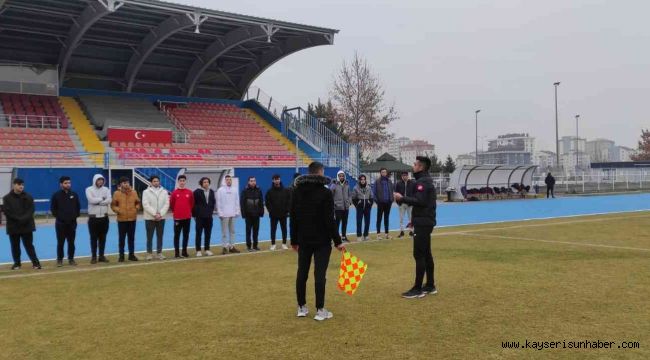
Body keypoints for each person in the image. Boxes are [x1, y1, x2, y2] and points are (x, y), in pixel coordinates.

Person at [291, 162, 345, 321]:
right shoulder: (325, 193)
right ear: (320, 173)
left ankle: (301, 307)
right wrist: (338, 241)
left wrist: (294, 239)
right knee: (319, 274)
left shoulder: (297, 191)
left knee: (302, 272)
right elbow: (330, 219)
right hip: (321, 240)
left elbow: (293, 217)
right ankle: (320, 309)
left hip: (303, 239)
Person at [394, 156, 437, 299]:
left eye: (415, 164)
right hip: (424, 221)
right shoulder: (424, 180)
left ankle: (418, 289)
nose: (413, 166)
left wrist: (402, 198)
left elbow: (420, 201)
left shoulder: (423, 182)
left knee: (419, 255)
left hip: (423, 223)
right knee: (426, 254)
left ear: (421, 167)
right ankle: (430, 285)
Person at [3, 178, 41, 270]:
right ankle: (17, 264)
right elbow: (7, 212)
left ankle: (36, 263)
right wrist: (18, 219)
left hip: (27, 225)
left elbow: (31, 210)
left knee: (29, 245)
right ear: (14, 185)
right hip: (13, 226)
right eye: (19, 184)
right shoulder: (6, 198)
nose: (21, 186)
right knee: (15, 246)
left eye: (22, 184)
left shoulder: (28, 197)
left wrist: (23, 219)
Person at [50, 176, 81, 267]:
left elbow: (78, 207)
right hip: (60, 223)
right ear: (61, 184)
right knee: (60, 242)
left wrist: (74, 217)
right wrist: (60, 217)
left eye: (69, 183)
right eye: (66, 183)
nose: (68, 184)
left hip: (72, 223)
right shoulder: (56, 195)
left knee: (71, 242)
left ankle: (71, 259)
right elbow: (53, 209)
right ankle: (59, 260)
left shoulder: (74, 194)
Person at [111, 176, 141, 262]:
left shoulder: (134, 192)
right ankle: (121, 256)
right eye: (124, 183)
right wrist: (118, 210)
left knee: (131, 238)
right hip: (122, 220)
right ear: (120, 184)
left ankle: (131, 255)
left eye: (127, 182)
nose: (126, 184)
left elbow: (138, 202)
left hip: (132, 219)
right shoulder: (116, 193)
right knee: (122, 239)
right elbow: (113, 205)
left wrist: (136, 209)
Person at [85, 174, 111, 264]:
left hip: (104, 217)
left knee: (103, 238)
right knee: (93, 238)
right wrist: (102, 199)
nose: (100, 181)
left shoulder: (106, 189)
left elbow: (109, 200)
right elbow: (91, 200)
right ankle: (93, 257)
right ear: (95, 180)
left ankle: (101, 256)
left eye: (102, 180)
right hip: (93, 218)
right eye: (99, 180)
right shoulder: (89, 189)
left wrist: (98, 202)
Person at [142, 175, 169, 261]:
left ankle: (159, 253)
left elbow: (166, 204)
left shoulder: (164, 192)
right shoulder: (146, 192)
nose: (156, 182)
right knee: (149, 236)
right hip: (150, 218)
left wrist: (160, 214)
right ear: (151, 182)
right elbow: (145, 204)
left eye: (157, 181)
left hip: (161, 218)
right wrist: (154, 214)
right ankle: (149, 253)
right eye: (154, 181)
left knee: (160, 236)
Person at [170, 175, 194, 258]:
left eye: (183, 180)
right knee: (177, 235)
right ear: (178, 182)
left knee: (186, 235)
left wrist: (187, 212)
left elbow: (191, 204)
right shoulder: (174, 193)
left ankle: (184, 251)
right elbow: (172, 205)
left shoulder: (189, 192)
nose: (182, 182)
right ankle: (177, 253)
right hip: (177, 218)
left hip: (187, 218)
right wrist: (177, 212)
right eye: (180, 180)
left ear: (185, 182)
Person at [265, 174, 291, 250]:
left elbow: (288, 201)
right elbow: (267, 202)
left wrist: (287, 210)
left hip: (283, 214)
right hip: (273, 215)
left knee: (284, 229)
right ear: (273, 180)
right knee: (273, 229)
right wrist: (271, 211)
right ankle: (273, 244)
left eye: (278, 179)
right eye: (275, 179)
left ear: (280, 180)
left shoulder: (286, 190)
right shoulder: (269, 191)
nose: (277, 180)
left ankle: (284, 243)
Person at [216, 175, 240, 255]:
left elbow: (237, 201)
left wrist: (237, 211)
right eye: (227, 180)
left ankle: (232, 247)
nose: (229, 181)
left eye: (230, 179)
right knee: (224, 232)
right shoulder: (220, 190)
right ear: (224, 181)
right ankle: (224, 247)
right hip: (224, 214)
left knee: (232, 231)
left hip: (233, 214)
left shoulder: (235, 189)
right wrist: (220, 213)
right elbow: (218, 202)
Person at [193, 177, 216, 257]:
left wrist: (210, 212)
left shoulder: (212, 192)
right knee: (198, 234)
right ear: (201, 183)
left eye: (207, 182)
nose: (206, 183)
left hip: (209, 217)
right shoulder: (196, 192)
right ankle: (198, 250)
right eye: (204, 182)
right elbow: (194, 204)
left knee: (208, 233)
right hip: (199, 217)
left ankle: (207, 249)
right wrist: (195, 215)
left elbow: (213, 203)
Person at [241, 176, 264, 251]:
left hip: (256, 214)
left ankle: (255, 246)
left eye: (254, 180)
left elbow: (261, 202)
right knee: (248, 231)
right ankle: (248, 246)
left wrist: (261, 212)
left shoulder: (259, 190)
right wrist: (243, 214)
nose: (253, 182)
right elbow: (242, 203)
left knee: (256, 231)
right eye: (251, 181)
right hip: (248, 215)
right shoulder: (245, 191)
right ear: (248, 182)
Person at [330, 170, 352, 243]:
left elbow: (349, 195)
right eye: (340, 176)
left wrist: (349, 202)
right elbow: (330, 196)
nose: (341, 177)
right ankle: (335, 238)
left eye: (342, 176)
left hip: (346, 207)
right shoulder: (334, 185)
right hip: (337, 208)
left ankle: (343, 236)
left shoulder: (347, 185)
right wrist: (334, 204)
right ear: (337, 176)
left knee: (345, 222)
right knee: (337, 223)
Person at [372, 168, 394, 239]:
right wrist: (377, 201)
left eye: (385, 172)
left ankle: (387, 234)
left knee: (386, 218)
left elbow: (391, 191)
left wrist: (391, 200)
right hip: (380, 203)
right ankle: (378, 235)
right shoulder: (377, 182)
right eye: (382, 172)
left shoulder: (389, 181)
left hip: (388, 203)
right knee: (379, 218)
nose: (384, 173)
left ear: (386, 173)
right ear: (380, 173)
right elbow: (374, 193)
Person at [351, 174, 374, 241]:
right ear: (359, 180)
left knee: (367, 222)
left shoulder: (369, 188)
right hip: (359, 208)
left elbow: (371, 197)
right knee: (359, 222)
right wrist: (357, 205)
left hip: (367, 207)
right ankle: (359, 236)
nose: (363, 181)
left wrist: (370, 204)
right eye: (361, 179)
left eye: (364, 179)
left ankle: (366, 235)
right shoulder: (355, 188)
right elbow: (353, 198)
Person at [395, 171, 415, 238]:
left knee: (411, 218)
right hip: (402, 203)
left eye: (405, 175)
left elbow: (414, 193)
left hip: (410, 203)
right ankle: (401, 232)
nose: (404, 177)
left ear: (408, 176)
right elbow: (396, 193)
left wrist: (412, 201)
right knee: (401, 219)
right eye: (403, 175)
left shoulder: (412, 183)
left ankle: (411, 231)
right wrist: (398, 202)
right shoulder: (398, 183)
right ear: (401, 176)